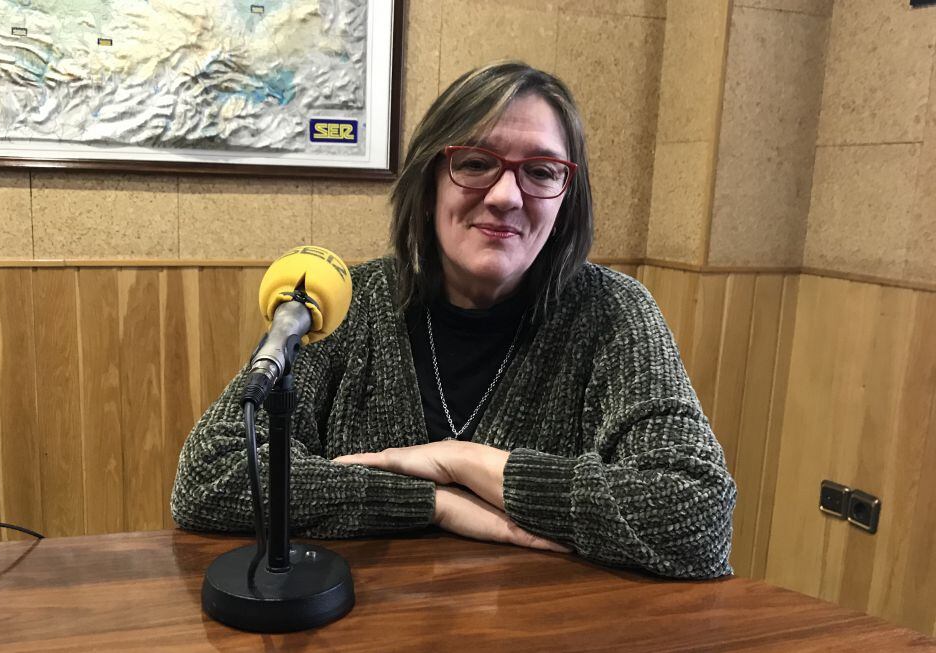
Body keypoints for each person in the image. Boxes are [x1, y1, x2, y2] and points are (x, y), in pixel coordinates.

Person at [171, 61, 736, 579]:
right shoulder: (342, 302)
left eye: (540, 171)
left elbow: (697, 515)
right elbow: (212, 477)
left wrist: (462, 461)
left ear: (568, 198)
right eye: (475, 163)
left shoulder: (614, 313)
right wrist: (432, 502)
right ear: (427, 184)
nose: (506, 195)